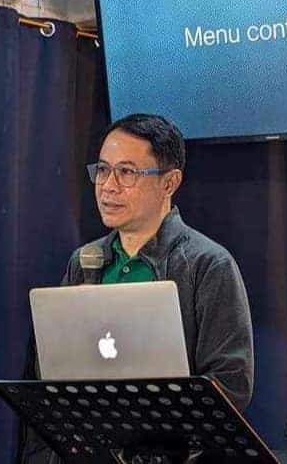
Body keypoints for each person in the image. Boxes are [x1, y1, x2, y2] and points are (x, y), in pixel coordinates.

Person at [17, 114, 254, 463]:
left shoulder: (208, 265)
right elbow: (49, 376)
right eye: (102, 170)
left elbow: (231, 383)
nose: (108, 186)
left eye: (126, 172)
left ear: (170, 183)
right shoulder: (85, 261)